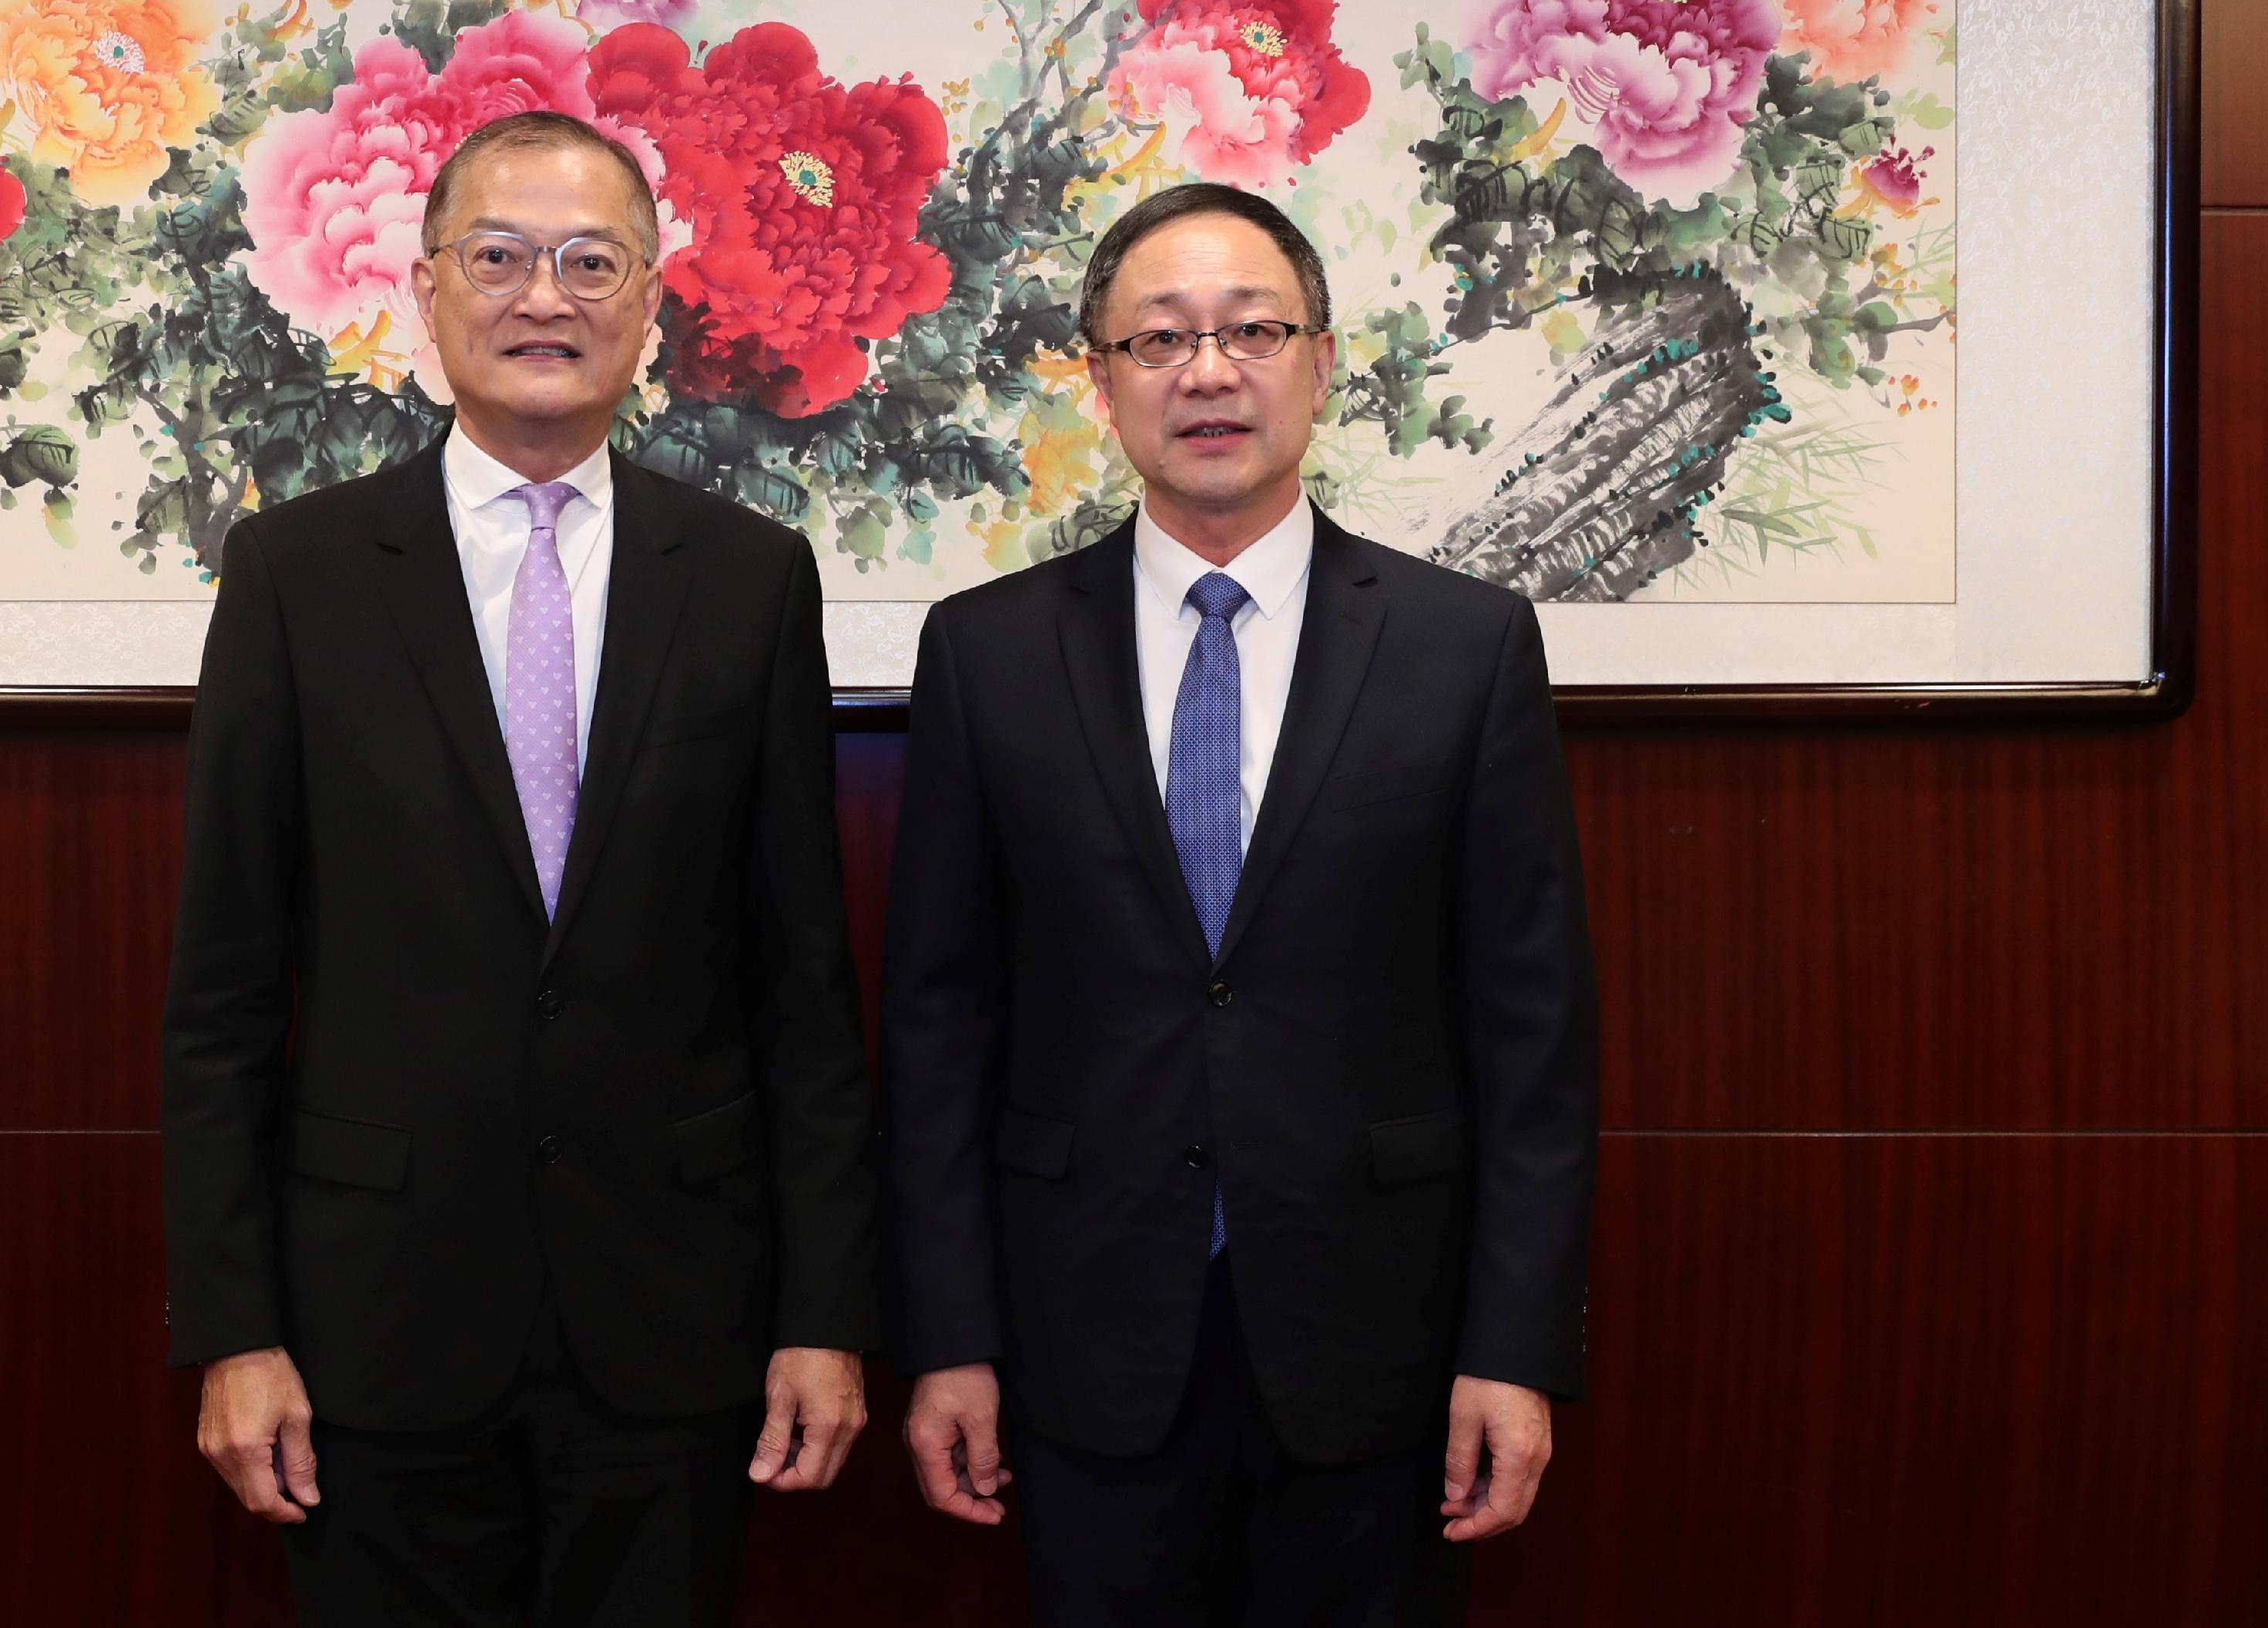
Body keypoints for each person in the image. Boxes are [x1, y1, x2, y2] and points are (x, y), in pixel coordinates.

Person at [160, 110, 879, 1628]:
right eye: (496, 258)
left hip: (672, 1328)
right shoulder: (296, 578)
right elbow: (221, 993)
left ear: (646, 300)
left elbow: (799, 985)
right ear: (427, 292)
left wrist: (824, 1314)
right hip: (375, 1328)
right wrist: (233, 1330)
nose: (540, 298)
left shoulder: (746, 582)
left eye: (585, 261)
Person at [882, 181, 1598, 1625]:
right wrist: (948, 1337)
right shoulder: (989, 654)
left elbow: (1533, 1035)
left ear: (1321, 363)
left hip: (1378, 1341)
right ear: (1102, 381)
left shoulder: (1465, 649)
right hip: (1082, 1338)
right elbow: (937, 1026)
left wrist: (1513, 1348)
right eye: (1159, 341)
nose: (1209, 372)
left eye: (1253, 330)